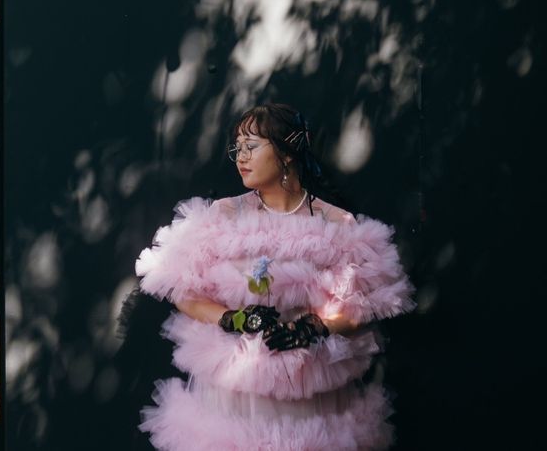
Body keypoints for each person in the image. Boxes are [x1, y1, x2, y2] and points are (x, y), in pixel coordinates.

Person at [134, 103, 415, 450]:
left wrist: (313, 327)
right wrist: (232, 318)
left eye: (251, 146)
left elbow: (363, 305)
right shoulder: (224, 214)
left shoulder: (335, 222)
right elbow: (183, 291)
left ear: (287, 152)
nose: (241, 157)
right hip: (239, 385)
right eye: (237, 147)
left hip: (307, 381)